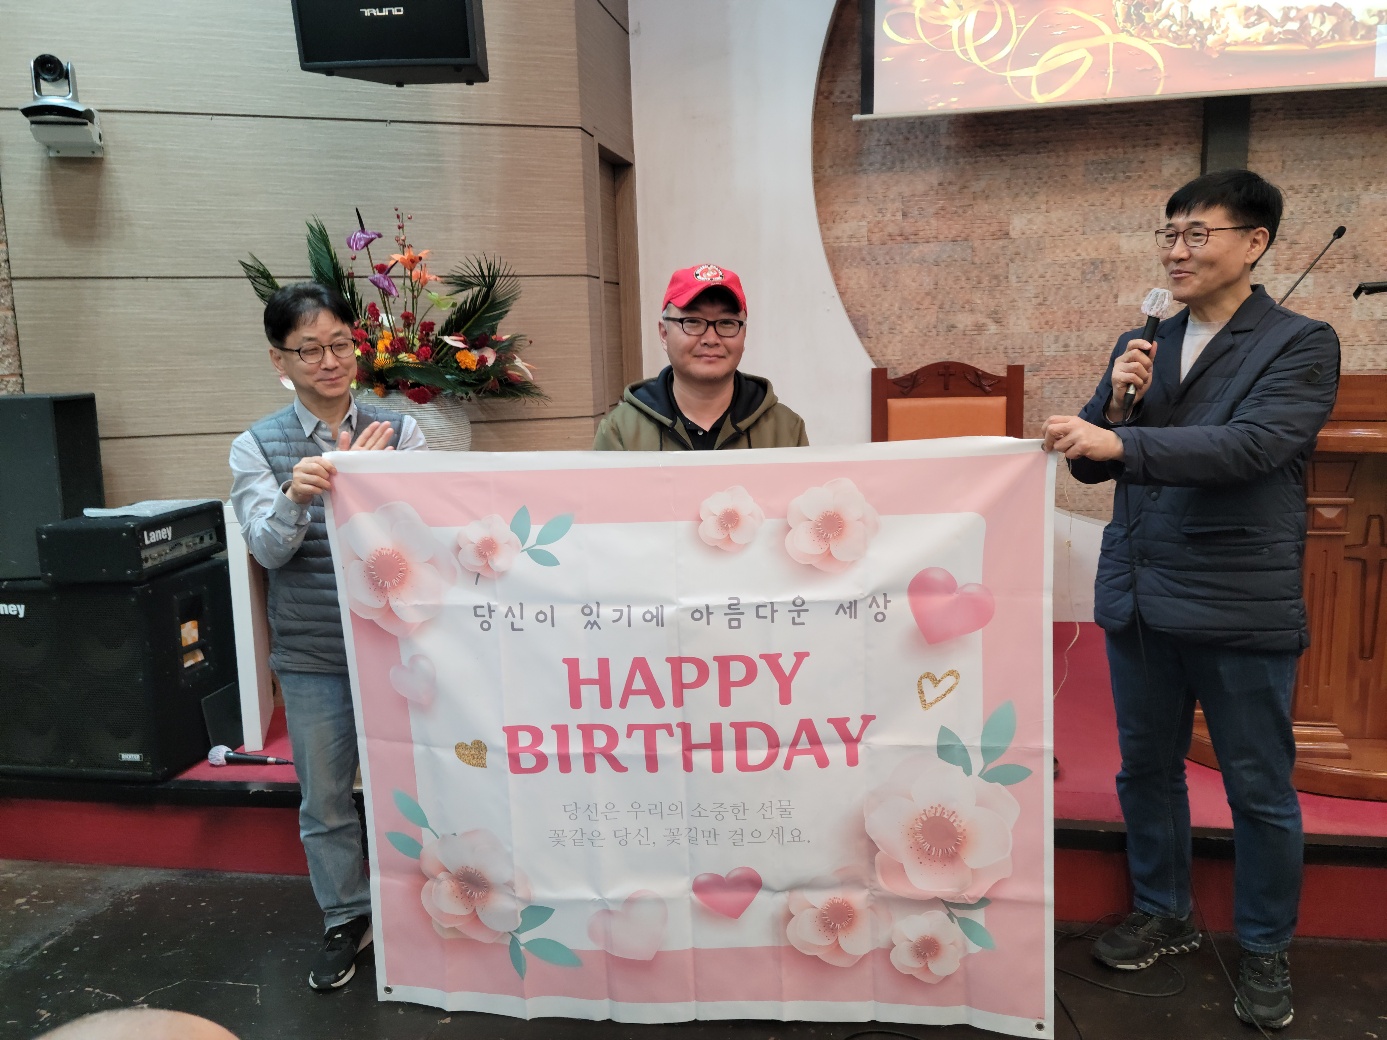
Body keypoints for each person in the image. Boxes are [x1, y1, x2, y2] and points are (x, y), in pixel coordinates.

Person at [1042, 170, 1340, 1031]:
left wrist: (1120, 441)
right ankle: (1162, 909)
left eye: (1196, 234)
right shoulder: (1143, 340)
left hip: (1234, 596)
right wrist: (1116, 402)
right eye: (1168, 234)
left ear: (1254, 243)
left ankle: (1264, 946)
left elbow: (1251, 448)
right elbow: (1092, 461)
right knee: (1144, 769)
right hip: (1140, 590)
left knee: (1257, 786)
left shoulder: (1299, 343)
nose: (1176, 251)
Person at [229, 282, 426, 991]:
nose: (329, 360)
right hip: (315, 655)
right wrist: (297, 496)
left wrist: (387, 482)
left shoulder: (401, 433)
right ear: (278, 359)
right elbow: (267, 549)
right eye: (309, 349)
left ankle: (423, 910)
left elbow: (430, 534)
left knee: (421, 782)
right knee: (326, 800)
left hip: (400, 646)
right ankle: (346, 917)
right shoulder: (256, 446)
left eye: (340, 343)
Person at [593, 263, 808, 450]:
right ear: (664, 333)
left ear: (744, 334)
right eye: (693, 322)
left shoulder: (785, 429)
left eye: (727, 323)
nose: (711, 339)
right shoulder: (621, 431)